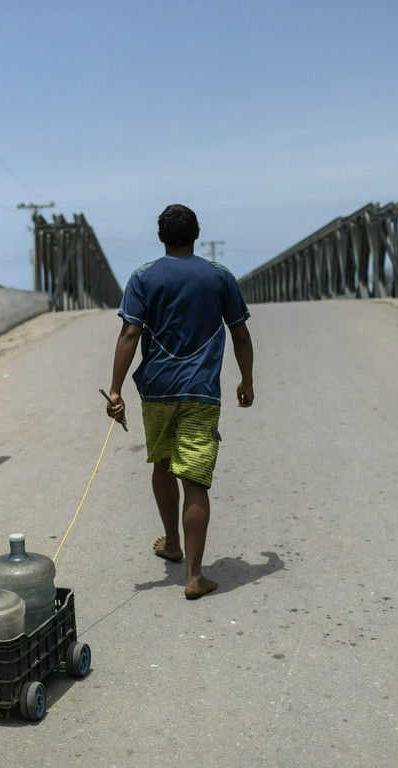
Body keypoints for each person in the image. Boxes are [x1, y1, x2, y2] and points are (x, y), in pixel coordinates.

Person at [105, 204, 254, 600]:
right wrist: (247, 379)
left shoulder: (143, 278)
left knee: (163, 463)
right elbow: (239, 333)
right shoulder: (220, 278)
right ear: (197, 233)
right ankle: (193, 576)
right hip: (201, 392)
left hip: (156, 390)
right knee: (196, 481)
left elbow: (129, 334)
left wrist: (116, 388)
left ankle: (172, 541)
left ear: (161, 237)